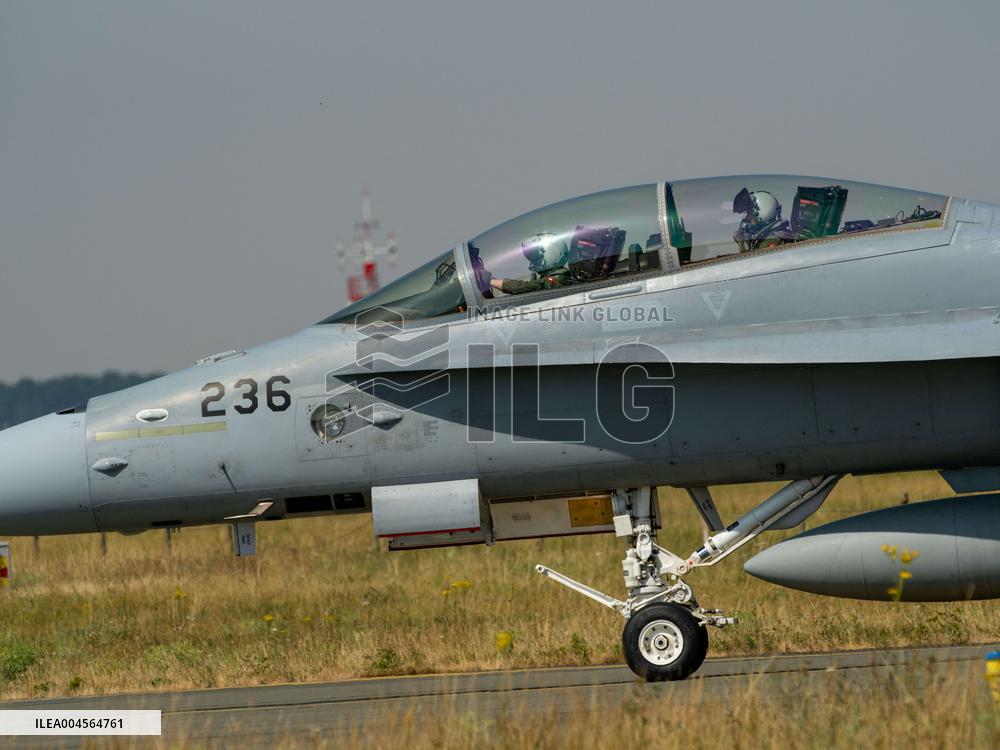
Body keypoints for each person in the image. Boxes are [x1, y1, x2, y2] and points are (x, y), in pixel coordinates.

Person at [488, 233, 571, 295]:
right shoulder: (553, 279)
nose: (532, 264)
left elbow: (526, 287)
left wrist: (491, 282)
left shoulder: (556, 281)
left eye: (536, 259)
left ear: (551, 254)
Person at [732, 188, 790, 252]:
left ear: (763, 214)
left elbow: (753, 260)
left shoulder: (771, 241)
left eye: (749, 214)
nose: (746, 218)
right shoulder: (768, 237)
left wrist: (743, 244)